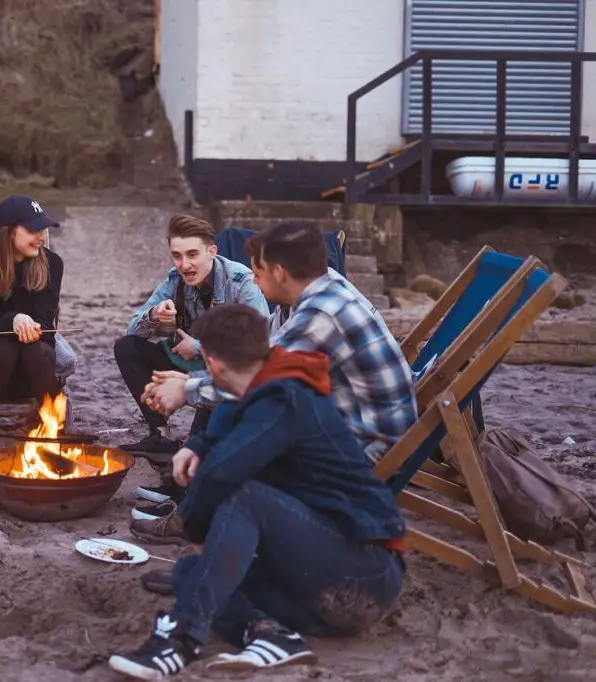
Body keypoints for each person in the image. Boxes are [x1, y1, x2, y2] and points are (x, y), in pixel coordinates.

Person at [109, 304, 406, 678]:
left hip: (365, 576)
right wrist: (196, 446)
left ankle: (182, 637)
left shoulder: (286, 397)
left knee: (244, 497)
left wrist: (195, 526)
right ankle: (269, 634)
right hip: (314, 590)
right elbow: (223, 424)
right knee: (190, 572)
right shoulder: (258, 384)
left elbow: (221, 475)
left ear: (211, 364)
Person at [144, 220, 416, 462]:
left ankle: (191, 503)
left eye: (258, 272)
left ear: (280, 273)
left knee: (245, 428)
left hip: (370, 446)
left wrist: (186, 391)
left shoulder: (321, 313)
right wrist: (190, 380)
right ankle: (186, 496)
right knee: (234, 413)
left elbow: (259, 379)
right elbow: (259, 354)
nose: (253, 279)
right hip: (345, 419)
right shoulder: (312, 290)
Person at [114, 214, 269, 462]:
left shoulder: (241, 281)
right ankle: (160, 435)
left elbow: (259, 343)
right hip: (187, 363)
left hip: (225, 371)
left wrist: (197, 346)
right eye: (177, 256)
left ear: (212, 251)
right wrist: (154, 315)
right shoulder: (175, 280)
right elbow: (131, 330)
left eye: (192, 254)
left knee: (197, 452)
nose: (184, 264)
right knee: (127, 347)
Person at [0, 196, 64, 458]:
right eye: (32, 230)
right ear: (9, 232)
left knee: (29, 347)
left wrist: (27, 324)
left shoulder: (52, 264)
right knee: (8, 346)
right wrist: (14, 320)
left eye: (42, 229)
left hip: (37, 356)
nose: (40, 236)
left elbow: (45, 319)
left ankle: (49, 433)